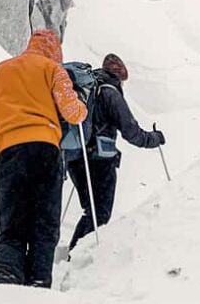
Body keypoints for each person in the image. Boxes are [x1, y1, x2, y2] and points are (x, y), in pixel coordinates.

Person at [0, 29, 87, 288]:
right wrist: (81, 104)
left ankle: (6, 277)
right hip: (46, 150)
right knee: (44, 225)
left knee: (12, 224)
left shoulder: (0, 70)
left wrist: (8, 111)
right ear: (55, 52)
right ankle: (38, 281)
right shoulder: (54, 70)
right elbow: (73, 113)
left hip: (11, 152)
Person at [66, 53, 165, 252]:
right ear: (118, 76)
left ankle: (73, 255)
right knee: (99, 214)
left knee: (91, 211)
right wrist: (154, 138)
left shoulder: (87, 88)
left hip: (75, 156)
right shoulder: (110, 92)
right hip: (100, 160)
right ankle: (76, 258)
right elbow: (131, 132)